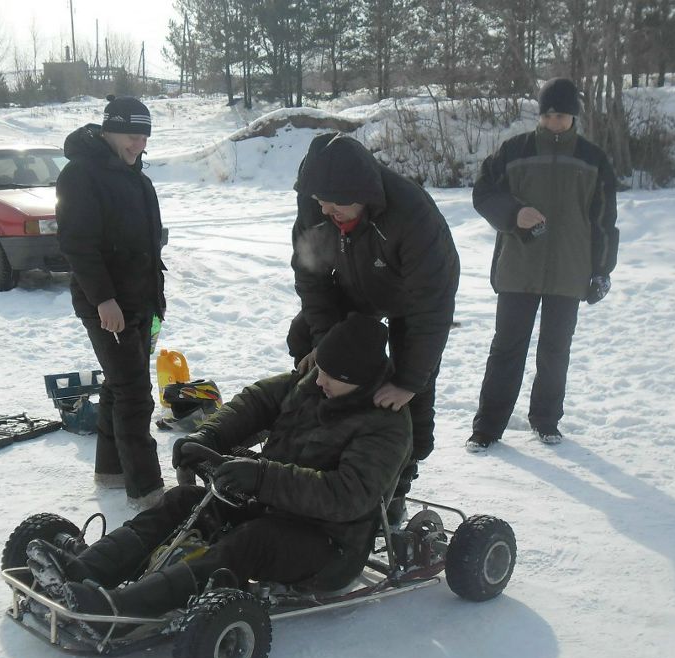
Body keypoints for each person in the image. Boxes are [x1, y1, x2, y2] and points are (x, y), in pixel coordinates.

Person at [25, 313, 412, 622]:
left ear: (359, 381)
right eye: (320, 368)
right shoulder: (312, 383)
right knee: (184, 501)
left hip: (329, 544)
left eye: (331, 376)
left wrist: (262, 478)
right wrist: (207, 437)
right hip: (269, 506)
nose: (318, 378)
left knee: (250, 541)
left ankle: (121, 609)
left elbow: (347, 496)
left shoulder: (385, 424)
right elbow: (255, 403)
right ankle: (79, 574)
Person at [286, 132, 460, 523]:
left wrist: (410, 381)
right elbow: (311, 278)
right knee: (305, 338)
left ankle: (399, 479)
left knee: (407, 382)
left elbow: (431, 307)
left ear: (362, 193)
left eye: (336, 203)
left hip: (412, 293)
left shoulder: (412, 216)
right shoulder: (317, 206)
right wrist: (326, 345)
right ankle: (328, 441)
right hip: (355, 280)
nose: (327, 210)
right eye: (321, 202)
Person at [466, 77, 619, 452]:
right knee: (506, 349)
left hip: (569, 270)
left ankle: (546, 420)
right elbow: (484, 192)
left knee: (555, 351)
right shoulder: (514, 151)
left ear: (574, 116)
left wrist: (601, 270)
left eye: (561, 116)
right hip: (518, 267)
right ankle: (487, 427)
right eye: (547, 115)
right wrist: (513, 214)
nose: (553, 122)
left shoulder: (593, 159)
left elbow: (604, 221)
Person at [56, 95, 166, 508]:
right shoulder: (80, 175)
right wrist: (104, 299)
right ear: (109, 131)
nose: (139, 144)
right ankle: (148, 491)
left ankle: (111, 470)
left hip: (140, 301)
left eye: (144, 137)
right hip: (108, 305)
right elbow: (78, 245)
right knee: (134, 393)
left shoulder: (135, 177)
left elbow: (148, 245)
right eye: (131, 136)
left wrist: (155, 301)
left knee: (120, 386)